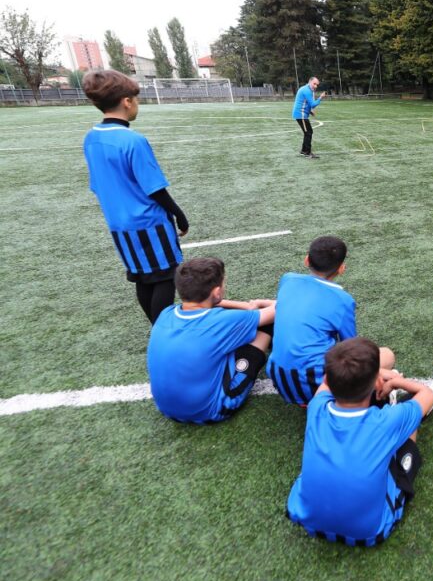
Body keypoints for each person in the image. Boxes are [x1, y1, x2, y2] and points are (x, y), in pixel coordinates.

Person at [286, 337, 433, 545]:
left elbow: (326, 386)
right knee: (407, 428)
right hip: (368, 531)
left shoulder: (317, 406)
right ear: (375, 382)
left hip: (304, 516)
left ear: (326, 378)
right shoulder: (388, 421)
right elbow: (426, 393)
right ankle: (396, 403)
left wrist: (375, 374)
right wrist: (395, 381)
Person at [81, 70, 189, 324]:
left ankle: (157, 329)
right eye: (136, 99)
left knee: (142, 275)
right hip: (149, 223)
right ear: (127, 101)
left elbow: (98, 185)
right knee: (166, 276)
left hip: (118, 225)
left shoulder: (91, 138)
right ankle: (163, 333)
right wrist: (179, 215)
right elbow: (154, 188)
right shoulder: (132, 140)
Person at [268, 235, 397, 406]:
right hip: (316, 383)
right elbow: (351, 348)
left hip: (280, 380)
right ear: (341, 268)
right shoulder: (342, 300)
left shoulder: (287, 279)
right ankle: (369, 396)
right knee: (386, 355)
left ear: (307, 260)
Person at [147, 257, 275, 424]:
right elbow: (281, 308)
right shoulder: (223, 321)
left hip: (166, 409)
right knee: (266, 327)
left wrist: (246, 306)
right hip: (212, 411)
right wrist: (258, 303)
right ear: (216, 292)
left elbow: (215, 305)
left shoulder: (166, 313)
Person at [292, 76, 325, 159]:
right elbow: (313, 104)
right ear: (310, 82)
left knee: (308, 132)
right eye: (314, 84)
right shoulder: (307, 90)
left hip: (301, 114)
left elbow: (304, 102)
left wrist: (310, 111)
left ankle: (304, 150)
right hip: (301, 114)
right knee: (308, 132)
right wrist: (320, 97)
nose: (315, 86)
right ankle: (307, 153)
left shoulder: (306, 89)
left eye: (317, 85)